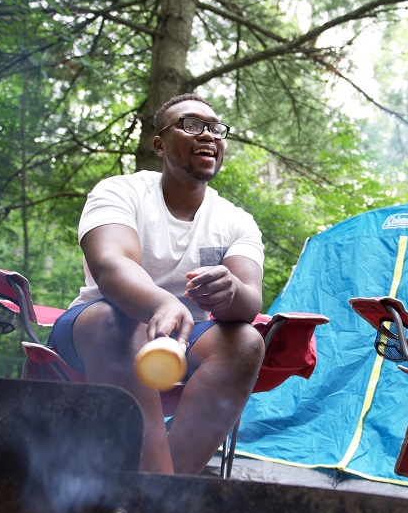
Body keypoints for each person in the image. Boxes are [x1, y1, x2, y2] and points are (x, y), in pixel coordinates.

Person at [48, 93, 266, 475]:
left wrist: (230, 291)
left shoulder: (236, 221)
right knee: (115, 325)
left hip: (187, 340)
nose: (208, 136)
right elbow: (111, 264)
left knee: (246, 342)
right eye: (191, 125)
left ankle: (163, 492)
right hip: (95, 329)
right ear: (160, 144)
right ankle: (158, 498)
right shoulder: (120, 191)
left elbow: (249, 301)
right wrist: (162, 303)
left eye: (216, 129)